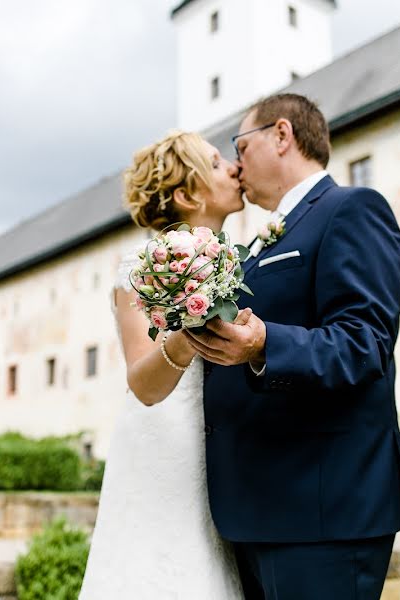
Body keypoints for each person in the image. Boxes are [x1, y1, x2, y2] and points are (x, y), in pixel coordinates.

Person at [184, 93, 400, 600]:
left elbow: (365, 343)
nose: (237, 163)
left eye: (240, 146)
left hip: (322, 510)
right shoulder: (260, 240)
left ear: (282, 135)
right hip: (256, 511)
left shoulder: (351, 209)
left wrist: (265, 343)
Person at [79, 130, 246, 599]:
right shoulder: (140, 267)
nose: (233, 167)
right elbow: (143, 384)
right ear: (186, 194)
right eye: (216, 163)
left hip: (225, 447)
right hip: (166, 445)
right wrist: (192, 329)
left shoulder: (237, 259)